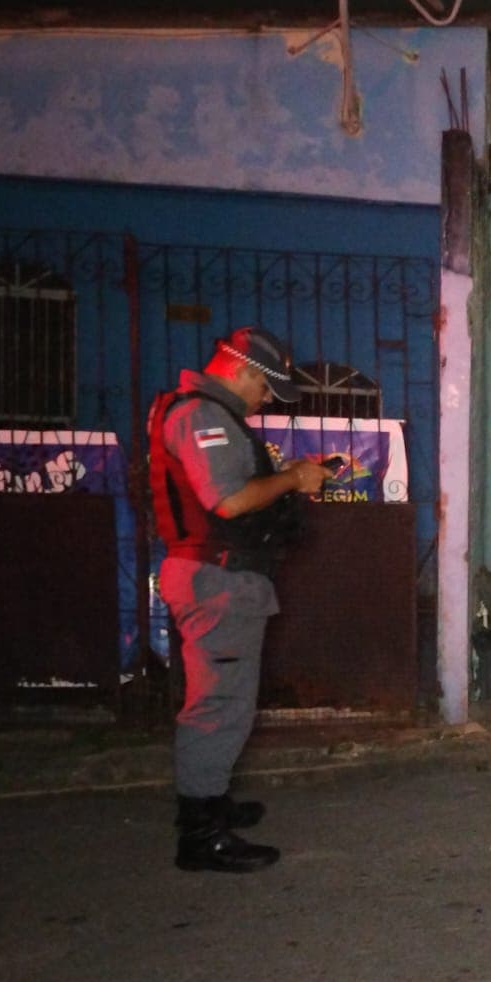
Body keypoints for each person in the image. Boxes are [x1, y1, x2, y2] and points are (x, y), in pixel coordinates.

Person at [149, 326, 328, 873]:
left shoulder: (203, 412)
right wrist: (294, 478)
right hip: (217, 581)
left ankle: (213, 803)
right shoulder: (202, 415)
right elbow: (227, 501)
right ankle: (202, 837)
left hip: (223, 578)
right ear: (241, 370)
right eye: (266, 387)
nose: (267, 399)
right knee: (218, 709)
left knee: (227, 702)